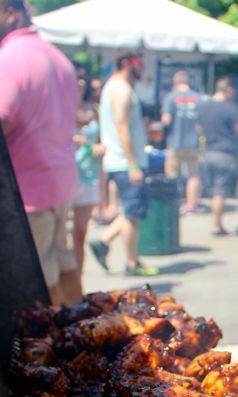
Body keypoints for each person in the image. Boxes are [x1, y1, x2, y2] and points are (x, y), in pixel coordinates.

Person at [0, 0, 78, 306]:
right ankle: (97, 337)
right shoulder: (59, 58)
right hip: (61, 186)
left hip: (29, 194)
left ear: (11, 14)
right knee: (66, 269)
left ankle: (65, 349)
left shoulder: (5, 61)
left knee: (41, 290)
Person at [88, 52, 158, 277]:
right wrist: (133, 164)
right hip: (125, 161)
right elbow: (121, 126)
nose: (143, 70)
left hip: (122, 160)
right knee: (131, 213)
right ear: (128, 64)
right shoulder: (121, 89)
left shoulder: (117, 87)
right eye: (139, 65)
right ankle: (130, 262)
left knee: (132, 212)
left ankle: (106, 243)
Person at [70, 75, 104, 295]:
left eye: (83, 84)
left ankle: (77, 286)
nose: (80, 88)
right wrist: (74, 140)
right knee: (59, 239)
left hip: (89, 174)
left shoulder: (93, 109)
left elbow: (101, 137)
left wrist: (101, 146)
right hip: (66, 175)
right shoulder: (60, 108)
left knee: (80, 232)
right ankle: (65, 287)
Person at [198, 77, 238, 236]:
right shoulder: (230, 108)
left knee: (213, 191)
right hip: (225, 153)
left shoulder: (203, 106)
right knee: (220, 192)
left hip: (207, 152)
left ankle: (216, 223)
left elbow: (198, 128)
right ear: (229, 90)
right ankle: (217, 226)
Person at [161, 70, 204, 215]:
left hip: (175, 142)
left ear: (175, 83)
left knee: (172, 174)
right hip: (194, 143)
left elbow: (166, 120)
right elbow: (201, 125)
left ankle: (173, 204)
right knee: (193, 174)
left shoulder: (171, 97)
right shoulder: (198, 98)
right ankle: (191, 204)